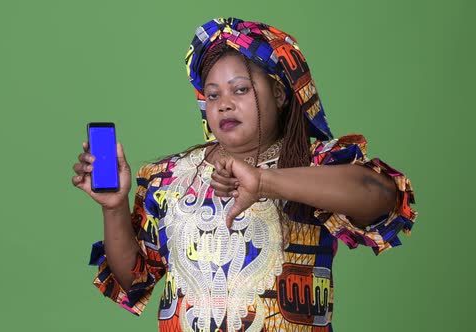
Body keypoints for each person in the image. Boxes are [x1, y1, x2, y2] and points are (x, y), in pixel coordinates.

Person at [72, 17, 417, 332]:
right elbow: (132, 281)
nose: (224, 104)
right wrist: (114, 208)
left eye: (240, 89)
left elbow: (381, 195)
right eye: (212, 94)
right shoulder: (168, 177)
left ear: (279, 93)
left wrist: (265, 181)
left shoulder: (313, 166)